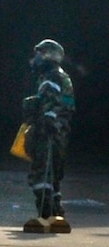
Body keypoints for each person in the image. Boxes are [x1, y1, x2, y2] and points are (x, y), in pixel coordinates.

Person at [22, 38, 76, 233]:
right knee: (53, 175)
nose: (34, 59)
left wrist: (40, 125)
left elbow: (50, 106)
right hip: (60, 131)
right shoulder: (63, 77)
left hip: (48, 132)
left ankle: (44, 217)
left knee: (41, 173)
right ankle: (56, 215)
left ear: (47, 56)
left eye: (38, 54)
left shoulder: (51, 78)